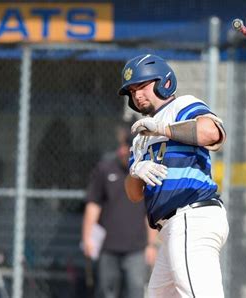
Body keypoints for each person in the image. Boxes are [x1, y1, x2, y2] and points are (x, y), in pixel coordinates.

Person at [118, 54, 228, 297]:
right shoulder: (139, 138)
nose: (137, 95)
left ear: (162, 82)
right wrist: (136, 172)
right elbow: (133, 194)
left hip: (192, 215)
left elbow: (213, 133)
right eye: (132, 90)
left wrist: (162, 128)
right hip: (171, 228)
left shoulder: (181, 106)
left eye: (142, 86)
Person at [82, 129, 158, 298]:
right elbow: (93, 205)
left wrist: (152, 245)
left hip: (137, 248)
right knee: (106, 291)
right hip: (107, 246)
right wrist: (87, 238)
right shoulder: (105, 169)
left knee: (136, 290)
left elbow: (151, 213)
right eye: (122, 146)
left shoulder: (146, 173)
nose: (123, 150)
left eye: (128, 147)